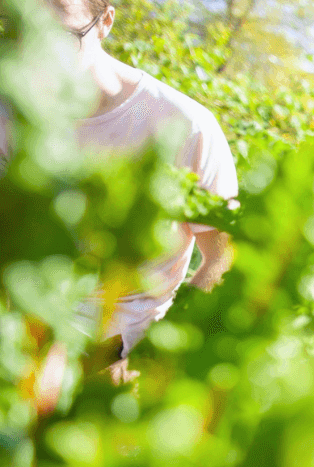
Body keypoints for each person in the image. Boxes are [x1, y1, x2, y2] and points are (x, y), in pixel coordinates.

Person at [0, 0, 239, 385]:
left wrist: (151, 358)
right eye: (23, 34)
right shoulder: (9, 113)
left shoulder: (184, 125)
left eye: (61, 37)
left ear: (105, 22)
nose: (39, 54)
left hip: (120, 355)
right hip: (19, 340)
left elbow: (223, 259)